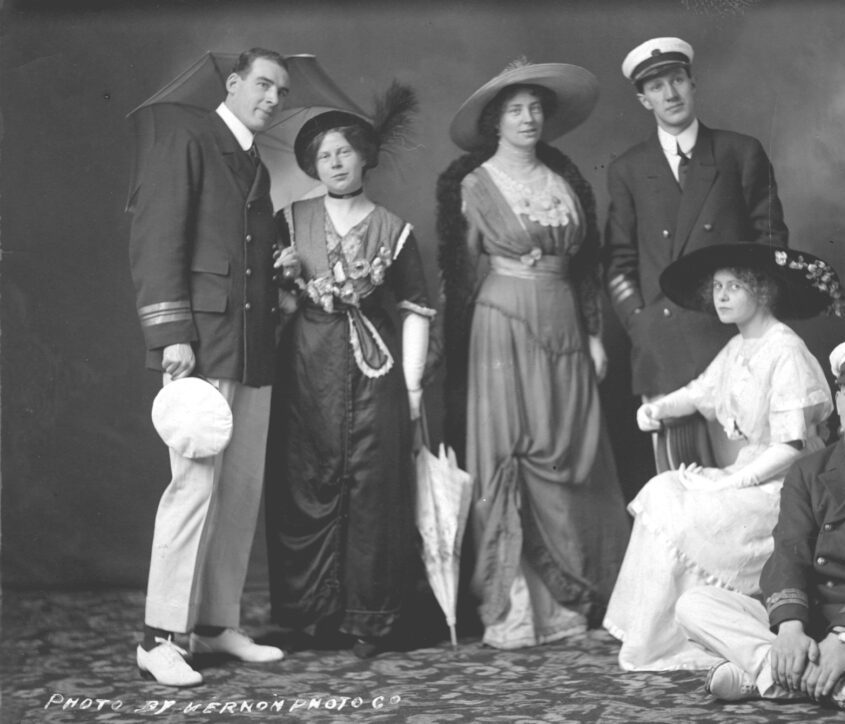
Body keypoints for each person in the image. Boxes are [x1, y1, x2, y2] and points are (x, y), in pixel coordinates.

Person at [437, 59, 629, 649]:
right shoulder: (474, 185)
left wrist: (593, 332)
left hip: (565, 321)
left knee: (571, 452)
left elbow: (587, 267)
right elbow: (460, 274)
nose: (528, 118)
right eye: (516, 110)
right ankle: (515, 609)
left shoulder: (565, 179)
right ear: (495, 121)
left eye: (536, 108)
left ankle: (569, 604)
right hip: (503, 327)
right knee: (511, 450)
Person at [675, 340, 845, 721]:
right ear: (837, 400)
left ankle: (766, 676)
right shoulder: (807, 471)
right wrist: (790, 628)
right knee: (693, 603)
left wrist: (844, 636)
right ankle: (844, 687)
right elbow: (789, 550)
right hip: (806, 618)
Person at [128, 48, 290, 686]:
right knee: (193, 487)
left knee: (239, 491)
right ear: (233, 83)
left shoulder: (255, 160)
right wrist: (171, 332)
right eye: (263, 84)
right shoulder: (188, 137)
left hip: (251, 345)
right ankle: (158, 637)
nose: (273, 98)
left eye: (281, 91)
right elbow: (156, 236)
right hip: (202, 341)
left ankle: (216, 623)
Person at [604, 242, 844, 671]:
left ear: (763, 291)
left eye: (735, 286)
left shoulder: (785, 349)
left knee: (689, 514)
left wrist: (732, 482)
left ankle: (686, 637)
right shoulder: (738, 347)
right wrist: (658, 409)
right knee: (662, 490)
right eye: (717, 287)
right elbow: (700, 391)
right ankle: (651, 634)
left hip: (789, 485)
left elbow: (790, 447)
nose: (722, 296)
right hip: (749, 470)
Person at [264, 88, 433, 659]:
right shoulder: (291, 221)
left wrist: (412, 389)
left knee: (371, 486)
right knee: (304, 478)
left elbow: (416, 308)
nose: (335, 163)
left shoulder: (393, 228)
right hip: (307, 365)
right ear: (312, 165)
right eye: (324, 155)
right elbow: (277, 307)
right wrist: (286, 280)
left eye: (344, 152)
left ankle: (369, 619)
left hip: (373, 370)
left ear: (364, 156)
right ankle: (308, 615)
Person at [604, 37, 789, 474]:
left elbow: (771, 244)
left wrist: (752, 321)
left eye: (677, 80)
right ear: (644, 100)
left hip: (733, 342)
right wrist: (641, 322)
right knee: (678, 485)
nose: (670, 94)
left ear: (693, 82)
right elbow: (619, 263)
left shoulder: (739, 153)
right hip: (662, 348)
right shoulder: (628, 170)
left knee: (746, 478)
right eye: (656, 87)